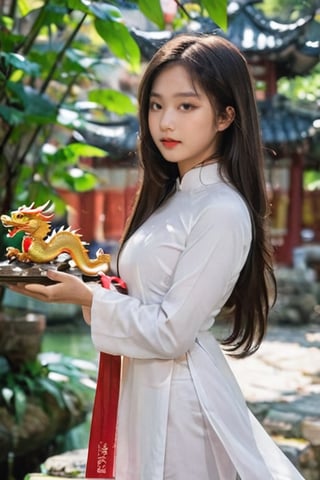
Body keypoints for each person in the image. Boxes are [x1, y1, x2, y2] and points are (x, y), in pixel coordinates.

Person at [9, 34, 305, 480]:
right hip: (146, 387)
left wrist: (88, 300)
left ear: (227, 115)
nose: (165, 122)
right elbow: (145, 298)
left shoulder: (221, 209)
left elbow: (171, 334)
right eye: (155, 105)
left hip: (183, 402)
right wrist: (81, 286)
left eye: (187, 106)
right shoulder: (172, 198)